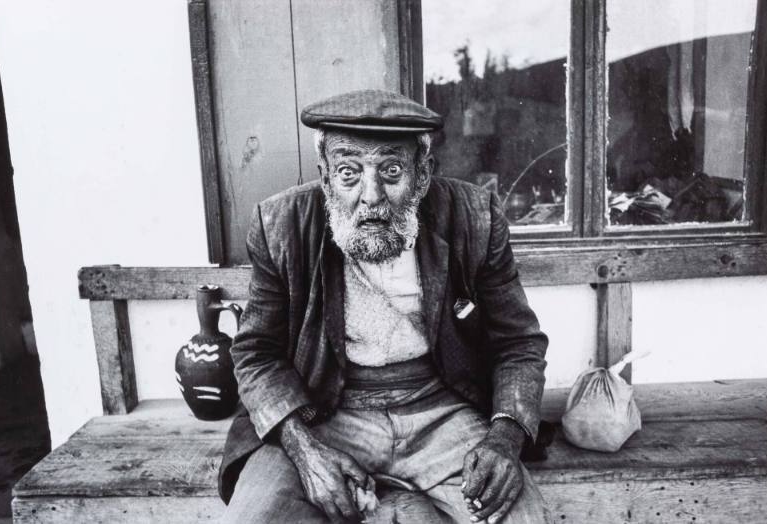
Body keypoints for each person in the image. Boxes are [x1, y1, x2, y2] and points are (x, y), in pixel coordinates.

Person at [218, 90, 550, 523]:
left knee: (522, 519)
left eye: (391, 170)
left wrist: (504, 438)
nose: (371, 195)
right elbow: (255, 352)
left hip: (442, 412)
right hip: (324, 412)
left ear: (423, 174)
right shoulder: (280, 225)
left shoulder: (475, 217)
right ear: (325, 177)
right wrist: (304, 450)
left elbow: (519, 343)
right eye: (348, 172)